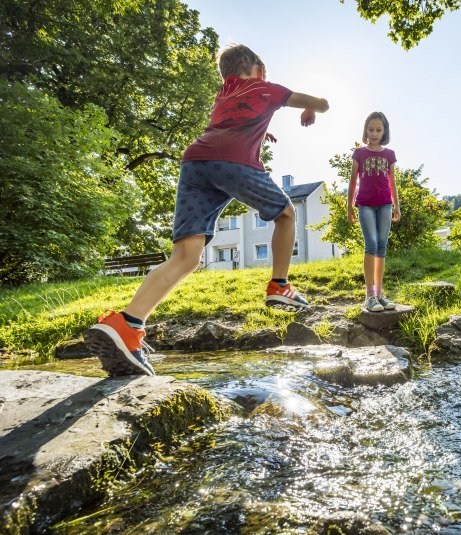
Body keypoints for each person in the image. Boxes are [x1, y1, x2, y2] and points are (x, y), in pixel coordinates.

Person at [84, 44, 329, 377]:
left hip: (195, 163)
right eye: (264, 72)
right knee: (286, 214)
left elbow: (234, 121)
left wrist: (261, 130)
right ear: (257, 69)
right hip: (231, 162)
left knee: (185, 257)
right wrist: (310, 110)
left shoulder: (222, 98)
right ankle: (279, 285)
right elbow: (322, 103)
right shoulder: (266, 88)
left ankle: (127, 325)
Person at [347, 111, 401, 313]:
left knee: (382, 247)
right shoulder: (359, 153)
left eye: (379, 129)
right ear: (365, 130)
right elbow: (353, 181)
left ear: (384, 131)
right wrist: (349, 207)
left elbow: (392, 182)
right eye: (371, 129)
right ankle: (369, 296)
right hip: (365, 205)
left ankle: (379, 294)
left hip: (385, 205)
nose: (374, 133)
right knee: (371, 244)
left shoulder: (389, 154)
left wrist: (397, 206)